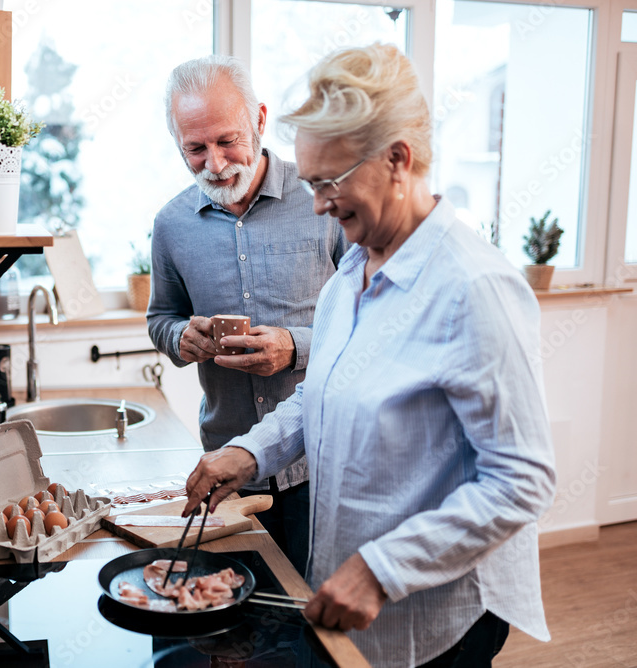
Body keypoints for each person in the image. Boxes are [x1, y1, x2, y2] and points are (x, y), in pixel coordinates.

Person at [182, 44, 557, 668]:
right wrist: (249, 452)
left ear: (398, 160)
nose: (320, 204)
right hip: (351, 602)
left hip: (437, 619)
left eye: (330, 182)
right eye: (309, 184)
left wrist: (382, 570)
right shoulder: (353, 270)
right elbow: (320, 391)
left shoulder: (473, 288)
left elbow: (521, 480)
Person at [147, 55, 347, 574]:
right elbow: (161, 318)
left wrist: (295, 347)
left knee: (316, 628)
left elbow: (374, 328)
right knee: (240, 628)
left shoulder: (323, 200)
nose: (214, 163)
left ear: (259, 119)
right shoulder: (170, 225)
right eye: (195, 148)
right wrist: (179, 339)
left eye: (226, 140)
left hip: (320, 467)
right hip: (227, 463)